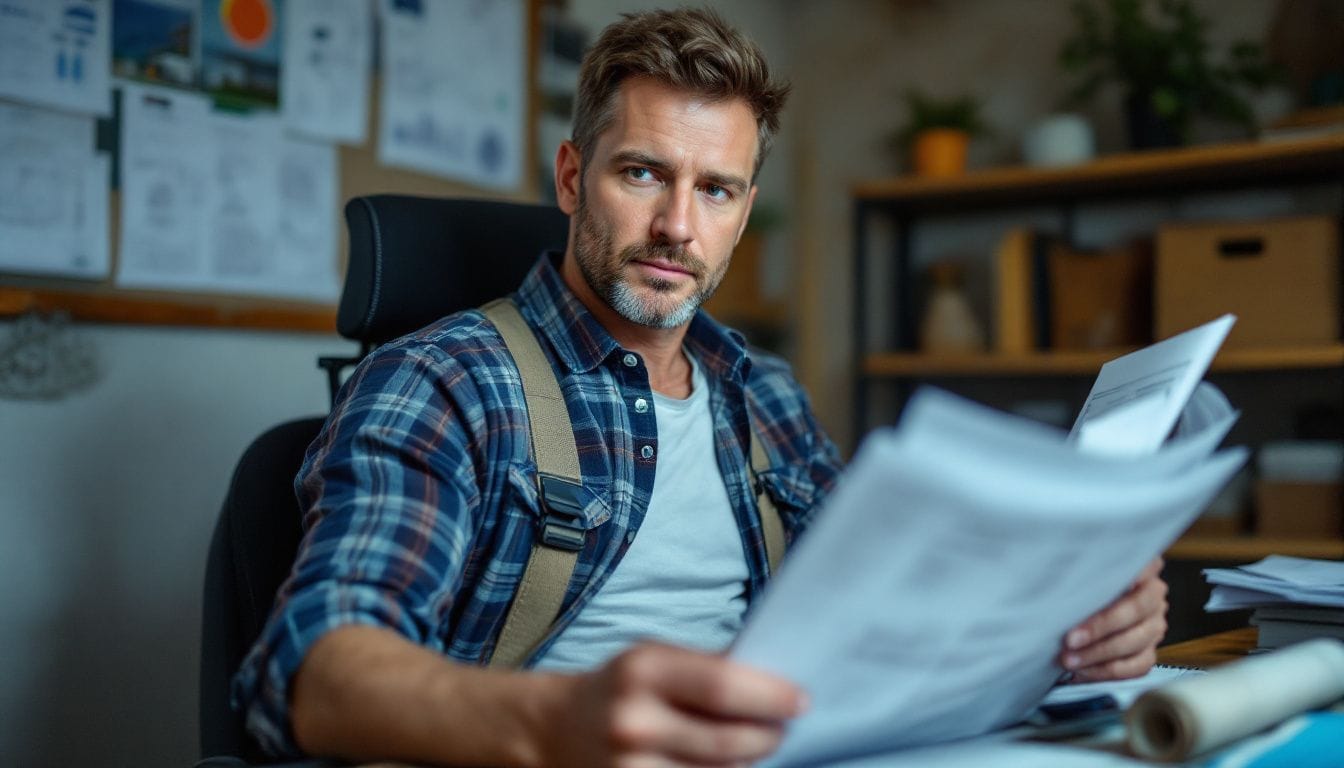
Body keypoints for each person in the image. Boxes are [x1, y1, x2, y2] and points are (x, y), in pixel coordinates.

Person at [234, 8, 1169, 767]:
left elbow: (890, 604)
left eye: (716, 190)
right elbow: (315, 665)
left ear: (744, 211)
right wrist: (550, 727)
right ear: (572, 178)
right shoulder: (441, 382)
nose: (679, 225)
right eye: (643, 172)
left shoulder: (764, 394)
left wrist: (1071, 618)